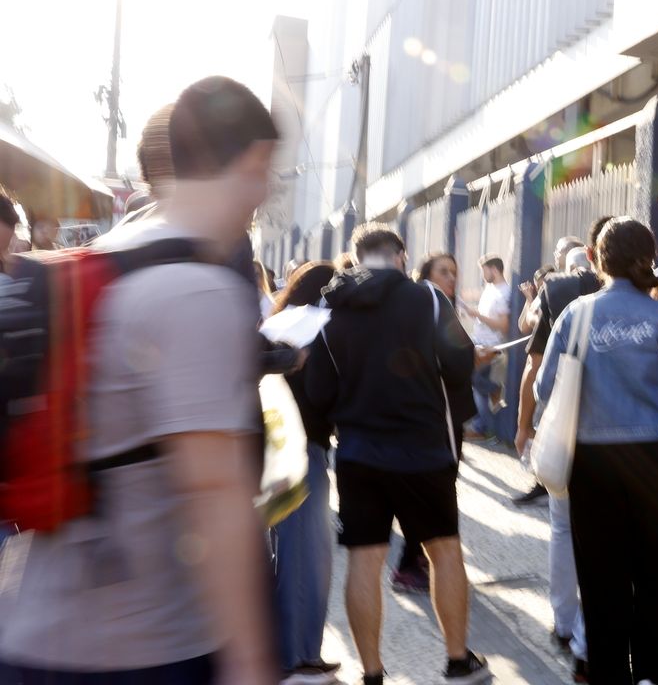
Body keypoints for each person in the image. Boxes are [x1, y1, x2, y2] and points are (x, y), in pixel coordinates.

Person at [0, 76, 280, 684]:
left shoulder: (117, 250)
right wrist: (253, 662)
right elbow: (213, 491)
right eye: (267, 171)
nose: (266, 191)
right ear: (252, 160)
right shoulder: (196, 289)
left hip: (42, 617)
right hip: (137, 645)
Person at [303, 224, 489, 684]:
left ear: (356, 257)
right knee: (444, 551)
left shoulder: (330, 306)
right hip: (424, 449)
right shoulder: (427, 299)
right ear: (401, 256)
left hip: (359, 454)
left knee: (364, 559)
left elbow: (319, 392)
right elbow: (460, 363)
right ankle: (458, 661)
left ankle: (371, 673)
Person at [532, 217, 658, 685]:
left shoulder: (577, 314)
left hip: (594, 460)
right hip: (657, 457)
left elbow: (547, 386)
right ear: (649, 259)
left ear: (596, 259)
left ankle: (610, 672)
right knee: (653, 569)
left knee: (602, 576)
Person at [512, 218, 613, 675]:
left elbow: (537, 374)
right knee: (600, 539)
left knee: (562, 529)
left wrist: (526, 427)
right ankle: (589, 638)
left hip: (562, 432)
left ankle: (563, 621)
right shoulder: (638, 298)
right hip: (612, 436)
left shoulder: (557, 297)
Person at [270, 262, 343, 685]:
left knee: (292, 555)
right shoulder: (318, 325)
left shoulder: (282, 321)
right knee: (305, 559)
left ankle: (294, 653)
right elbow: (320, 392)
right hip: (303, 451)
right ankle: (296, 657)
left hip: (276, 449)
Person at [390, 252, 468, 595]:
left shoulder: (441, 309)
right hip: (435, 419)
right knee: (431, 492)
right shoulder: (426, 305)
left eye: (454, 272)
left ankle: (418, 560)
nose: (451, 278)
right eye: (444, 272)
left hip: (442, 416)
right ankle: (411, 563)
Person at [462, 255, 512, 440]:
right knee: (478, 385)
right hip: (480, 343)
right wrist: (474, 314)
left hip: (492, 347)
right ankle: (483, 425)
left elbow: (503, 325)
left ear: (494, 269)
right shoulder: (490, 290)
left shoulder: (504, 292)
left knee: (479, 384)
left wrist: (477, 314)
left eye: (484, 270)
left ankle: (484, 427)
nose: (482, 275)